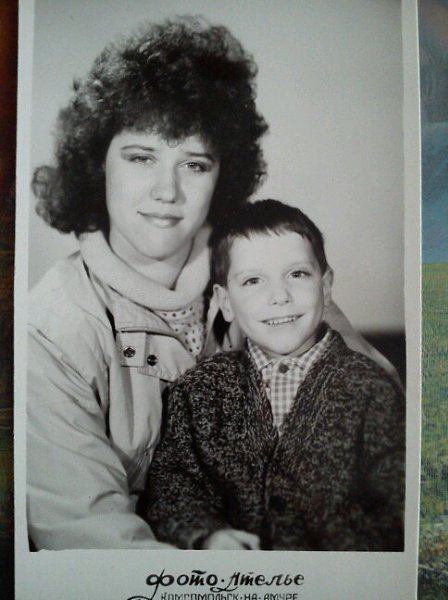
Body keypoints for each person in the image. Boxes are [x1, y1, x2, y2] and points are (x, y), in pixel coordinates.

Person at [27, 17, 394, 550]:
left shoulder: (268, 277)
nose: (168, 191)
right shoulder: (50, 330)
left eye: (194, 164)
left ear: (224, 174)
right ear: (96, 165)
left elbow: (382, 419)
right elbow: (93, 538)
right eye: (141, 157)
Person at [144, 199, 405, 551]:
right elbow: (175, 487)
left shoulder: (370, 388)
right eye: (253, 280)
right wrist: (207, 535)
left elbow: (398, 503)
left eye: (297, 274)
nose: (279, 296)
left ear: (326, 286)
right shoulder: (198, 391)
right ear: (225, 302)